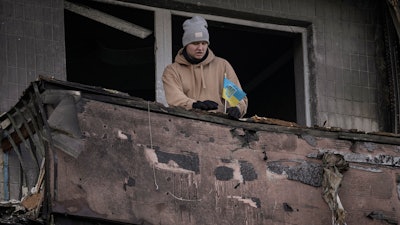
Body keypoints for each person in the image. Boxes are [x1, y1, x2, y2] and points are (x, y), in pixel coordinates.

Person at [162, 15, 248, 119]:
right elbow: (174, 98)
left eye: (204, 43)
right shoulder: (172, 71)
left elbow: (237, 98)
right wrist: (194, 105)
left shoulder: (222, 66)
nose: (200, 48)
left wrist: (237, 108)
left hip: (221, 126)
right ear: (186, 45)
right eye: (195, 43)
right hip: (185, 125)